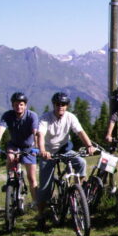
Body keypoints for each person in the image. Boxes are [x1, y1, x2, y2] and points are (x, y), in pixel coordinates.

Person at [36, 92, 96, 227]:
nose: (60, 107)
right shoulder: (45, 118)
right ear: (54, 105)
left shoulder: (70, 117)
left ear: (67, 106)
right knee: (45, 186)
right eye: (58, 104)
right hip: (48, 151)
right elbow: (40, 134)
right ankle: (40, 215)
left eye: (63, 104)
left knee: (81, 162)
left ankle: (78, 191)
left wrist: (89, 146)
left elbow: (80, 132)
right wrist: (42, 151)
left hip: (64, 149)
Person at [0, 92, 40, 206]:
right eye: (16, 104)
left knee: (31, 178)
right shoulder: (8, 115)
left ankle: (35, 203)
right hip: (14, 145)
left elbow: (35, 132)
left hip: (29, 147)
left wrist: (36, 148)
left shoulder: (32, 115)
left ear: (25, 105)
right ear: (12, 105)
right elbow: (0, 130)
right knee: (10, 156)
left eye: (21, 104)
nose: (19, 107)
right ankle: (10, 180)